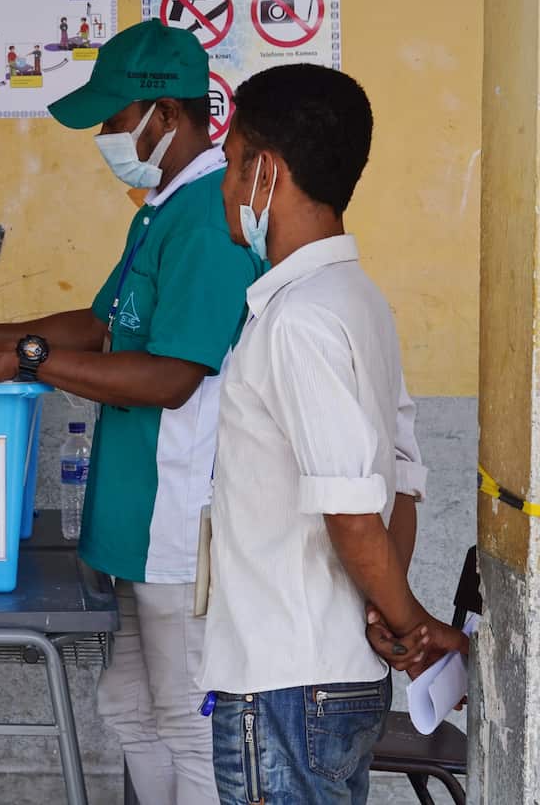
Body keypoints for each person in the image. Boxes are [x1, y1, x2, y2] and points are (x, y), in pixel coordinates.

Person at [0, 20, 261, 805]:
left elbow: (171, 375)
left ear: (162, 114)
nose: (105, 136)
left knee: (185, 721)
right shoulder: (161, 209)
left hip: (178, 522)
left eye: (113, 119)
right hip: (132, 520)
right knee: (127, 707)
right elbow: (98, 325)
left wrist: (23, 360)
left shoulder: (208, 217)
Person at [201, 64, 469, 804]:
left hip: (286, 682)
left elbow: (354, 511)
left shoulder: (299, 320)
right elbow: (402, 481)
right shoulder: (357, 300)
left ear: (266, 171)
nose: (224, 186)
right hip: (332, 673)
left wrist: (410, 624)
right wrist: (386, 609)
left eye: (229, 163)